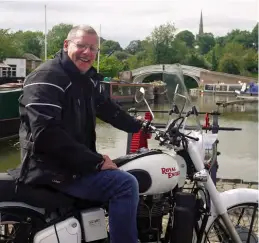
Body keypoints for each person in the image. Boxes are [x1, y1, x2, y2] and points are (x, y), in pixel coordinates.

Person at [17, 25, 144, 243]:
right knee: (125, 184)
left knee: (128, 166)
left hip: (70, 165)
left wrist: (138, 126)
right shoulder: (48, 76)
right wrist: (95, 162)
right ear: (67, 45)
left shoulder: (83, 78)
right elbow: (47, 134)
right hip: (51, 169)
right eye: (82, 46)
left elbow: (106, 107)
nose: (88, 53)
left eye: (93, 48)